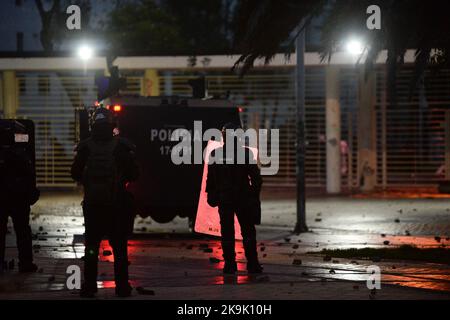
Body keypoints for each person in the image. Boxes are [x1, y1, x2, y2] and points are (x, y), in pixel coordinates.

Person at [71, 108, 139, 298]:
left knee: (92, 247)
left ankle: (90, 286)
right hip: (116, 207)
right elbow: (135, 174)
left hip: (93, 207)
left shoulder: (85, 147)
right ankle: (122, 287)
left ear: (93, 125)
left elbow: (75, 173)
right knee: (119, 249)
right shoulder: (121, 147)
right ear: (112, 126)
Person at [206, 122, 263, 274]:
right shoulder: (245, 154)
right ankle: (252, 264)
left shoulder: (215, 154)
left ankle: (230, 265)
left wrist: (212, 195)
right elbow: (256, 179)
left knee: (227, 233)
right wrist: (252, 194)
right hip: (243, 199)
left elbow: (210, 180)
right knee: (248, 232)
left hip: (225, 199)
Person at [0, 120, 40, 274]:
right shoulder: (21, 153)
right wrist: (31, 193)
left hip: (5, 197)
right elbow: (29, 175)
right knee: (23, 231)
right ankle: (25, 263)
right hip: (18, 198)